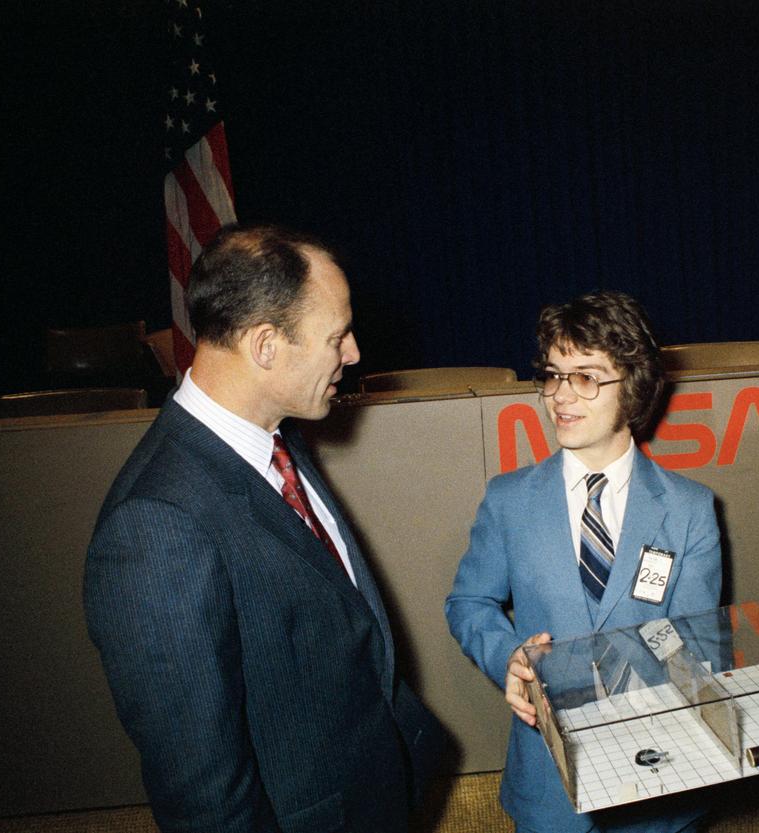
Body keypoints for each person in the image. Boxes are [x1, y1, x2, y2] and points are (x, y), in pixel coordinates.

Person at [85, 225, 443, 833]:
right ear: (266, 345)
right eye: (337, 336)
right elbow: (204, 795)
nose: (354, 353)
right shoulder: (153, 528)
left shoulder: (276, 436)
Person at [445, 290, 723, 833]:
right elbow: (469, 602)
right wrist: (509, 657)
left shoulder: (689, 509)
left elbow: (697, 642)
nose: (561, 396)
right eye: (554, 375)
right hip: (549, 783)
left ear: (634, 386)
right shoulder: (510, 500)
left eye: (587, 377)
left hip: (659, 781)